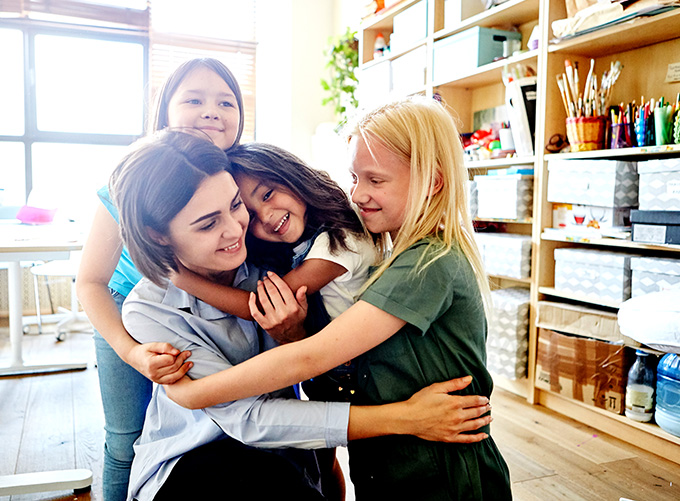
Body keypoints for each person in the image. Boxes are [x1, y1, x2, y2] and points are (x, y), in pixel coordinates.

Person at [161, 96, 513, 500]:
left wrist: (195, 392)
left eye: (375, 180)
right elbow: (346, 377)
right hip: (390, 466)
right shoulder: (387, 254)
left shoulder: (428, 264)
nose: (358, 195)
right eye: (354, 178)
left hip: (444, 475)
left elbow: (310, 358)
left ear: (432, 182)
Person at [75, 57, 245, 501]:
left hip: (213, 312)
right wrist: (130, 351)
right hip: (129, 319)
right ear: (164, 111)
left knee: (229, 426)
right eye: (194, 100)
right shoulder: (131, 180)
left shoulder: (247, 175)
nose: (212, 112)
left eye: (226, 102)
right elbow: (90, 281)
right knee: (126, 438)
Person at [168, 141, 377, 499]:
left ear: (294, 177)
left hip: (357, 371)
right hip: (328, 366)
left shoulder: (341, 242)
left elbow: (259, 306)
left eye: (267, 195)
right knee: (325, 457)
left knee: (363, 461)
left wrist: (184, 279)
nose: (265, 217)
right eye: (249, 212)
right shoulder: (307, 240)